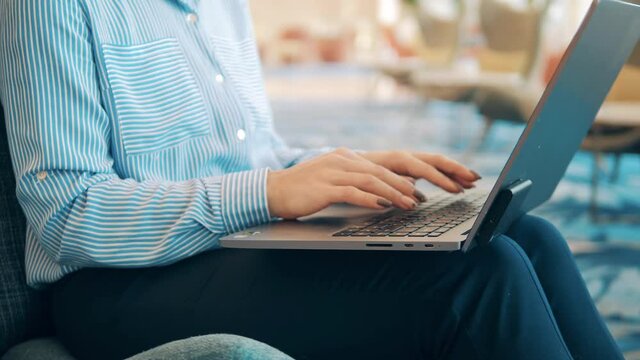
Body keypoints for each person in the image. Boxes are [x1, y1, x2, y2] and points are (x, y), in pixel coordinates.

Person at [0, 1, 623, 359]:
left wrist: (351, 167)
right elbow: (66, 214)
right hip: (119, 286)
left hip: (238, 246)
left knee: (530, 239)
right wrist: (269, 191)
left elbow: (257, 152)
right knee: (480, 280)